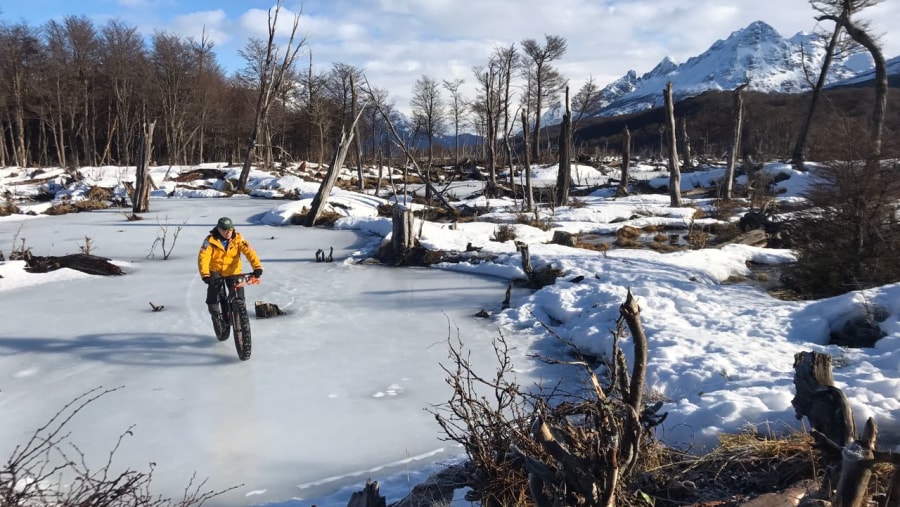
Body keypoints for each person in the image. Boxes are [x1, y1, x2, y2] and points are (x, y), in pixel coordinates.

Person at [197, 217, 263, 320]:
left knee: (239, 295)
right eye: (225, 229)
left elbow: (249, 252)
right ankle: (214, 312)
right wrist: (205, 275)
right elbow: (203, 257)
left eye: (230, 229)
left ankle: (239, 316)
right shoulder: (209, 241)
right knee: (214, 287)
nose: (228, 232)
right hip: (216, 270)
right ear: (219, 229)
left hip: (233, 270)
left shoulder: (238, 239)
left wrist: (257, 267)